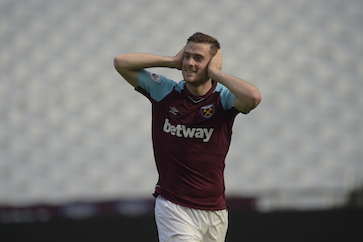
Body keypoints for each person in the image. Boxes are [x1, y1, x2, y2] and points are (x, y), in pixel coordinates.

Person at [114, 32, 261, 242]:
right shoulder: (166, 91)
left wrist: (216, 74)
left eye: (198, 58)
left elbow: (253, 97)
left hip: (215, 211)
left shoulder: (223, 99)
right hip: (175, 207)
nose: (190, 63)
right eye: (187, 56)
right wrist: (172, 61)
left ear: (212, 64)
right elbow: (121, 62)